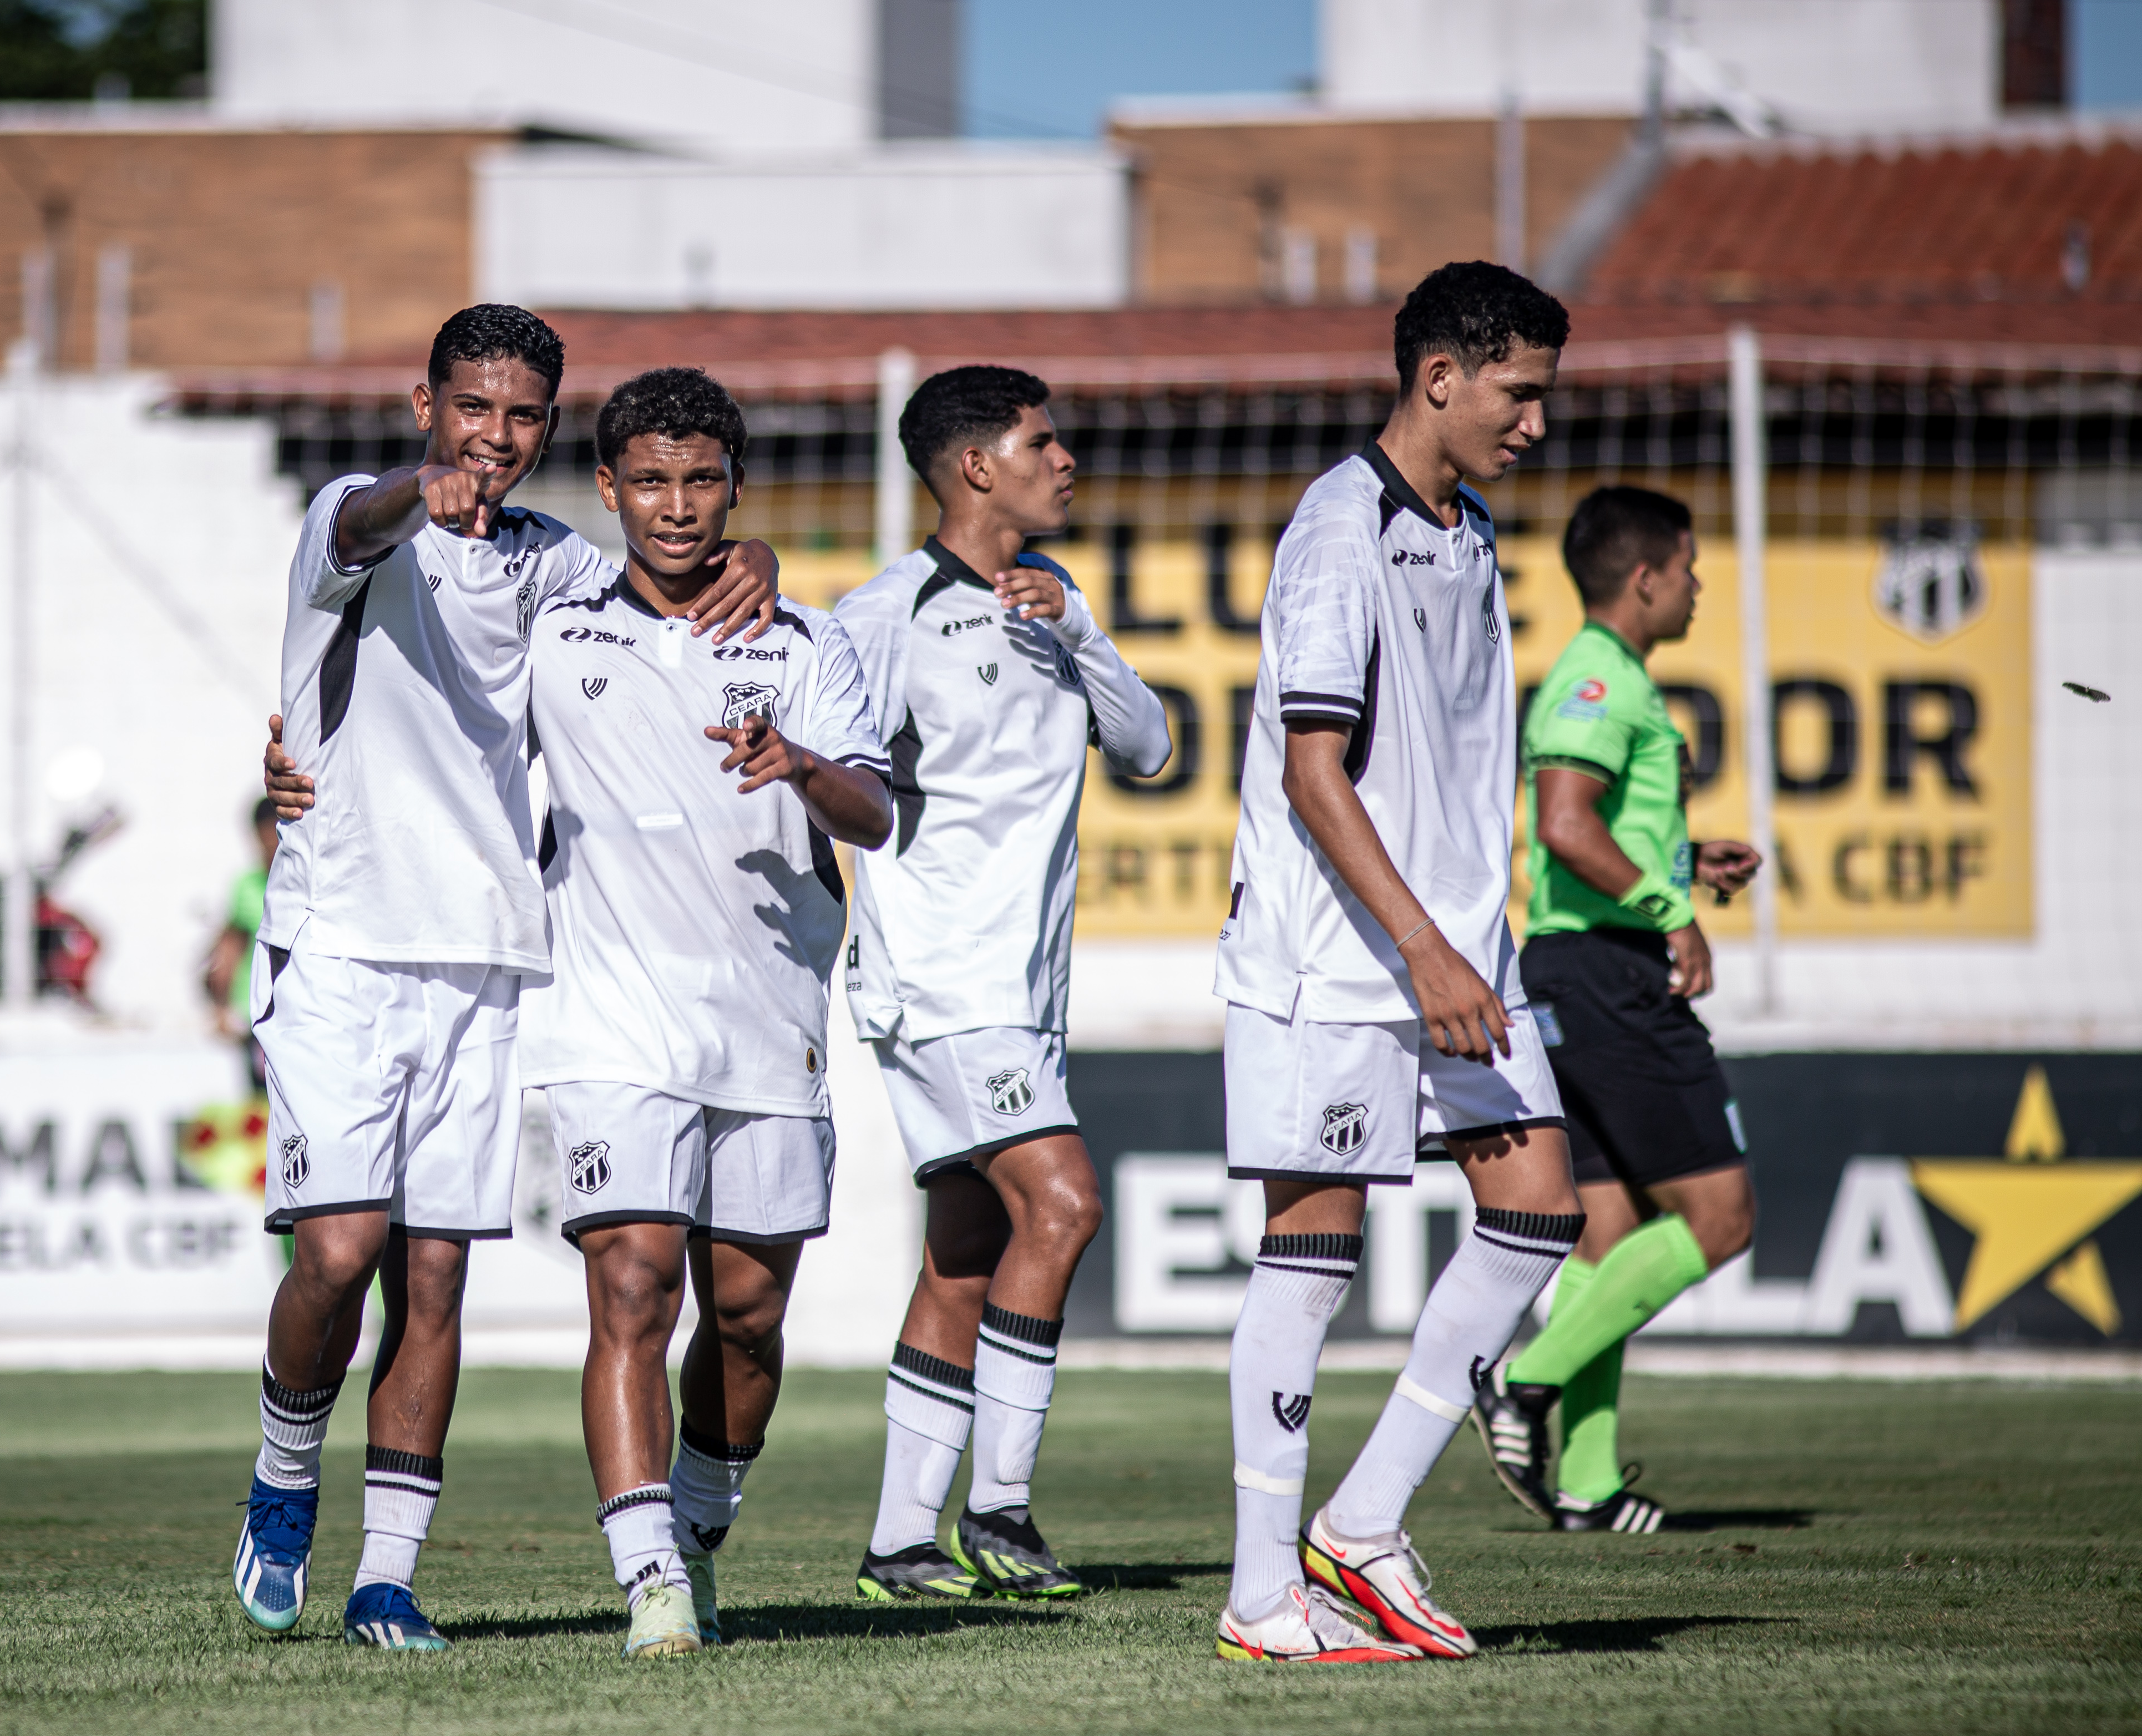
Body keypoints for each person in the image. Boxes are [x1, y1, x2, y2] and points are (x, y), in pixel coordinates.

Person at [233, 305, 779, 1653]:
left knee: (433, 1278)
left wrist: (752, 557)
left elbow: (667, 575)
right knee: (337, 1252)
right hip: (342, 938)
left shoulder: (554, 562)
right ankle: (283, 1478)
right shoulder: (352, 519)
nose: (495, 435)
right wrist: (412, 492)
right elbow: (362, 522)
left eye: (523, 413)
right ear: (425, 404)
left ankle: (387, 1580)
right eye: (472, 407)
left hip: (485, 955)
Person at [1213, 261, 1581, 1666]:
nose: (1535, 422)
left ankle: (1360, 1525)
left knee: (1536, 1210)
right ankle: (1261, 1596)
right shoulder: (1335, 533)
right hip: (1338, 963)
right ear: (1439, 378)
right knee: (1312, 1254)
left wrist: (1461, 937)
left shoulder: (1466, 526)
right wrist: (1423, 948)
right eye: (1518, 393)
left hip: (1457, 955)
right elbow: (1313, 774)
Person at [526, 367, 893, 1657]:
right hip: (609, 1019)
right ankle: (650, 1580)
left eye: (698, 481)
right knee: (631, 1287)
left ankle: (693, 1529)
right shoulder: (553, 628)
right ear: (608, 489)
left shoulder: (806, 642)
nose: (674, 507)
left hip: (769, 1020)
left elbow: (874, 813)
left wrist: (801, 765)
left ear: (735, 488)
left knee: (746, 1317)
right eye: (648, 482)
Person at [837, 366, 1172, 1603]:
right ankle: (1002, 1511)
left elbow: (1149, 748)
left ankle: (899, 1543)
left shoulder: (1054, 601)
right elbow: (840, 785)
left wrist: (1076, 628)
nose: (1066, 459)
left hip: (1021, 989)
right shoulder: (887, 615)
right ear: (976, 466)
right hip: (942, 979)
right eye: (1043, 442)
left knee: (968, 1253)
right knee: (1065, 1202)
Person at [1466, 485, 1762, 1535]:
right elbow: (1563, 824)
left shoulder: (1618, 678)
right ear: (1644, 578)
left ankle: (1586, 1485)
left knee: (1610, 1234)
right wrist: (1669, 909)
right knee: (1719, 1217)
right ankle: (1522, 1382)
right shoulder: (1596, 678)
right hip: (1606, 975)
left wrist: (1685, 859)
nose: (1696, 585)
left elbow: (1599, 828)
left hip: (1579, 972)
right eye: (1686, 567)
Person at [202, 796, 281, 1088]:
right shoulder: (245, 885)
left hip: (303, 1014)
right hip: (258, 1018)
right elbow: (230, 948)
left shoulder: (309, 882)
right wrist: (220, 1008)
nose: (269, 847)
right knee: (262, 1100)